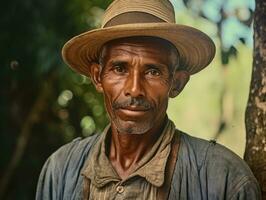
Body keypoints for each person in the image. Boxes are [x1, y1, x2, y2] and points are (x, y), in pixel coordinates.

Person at [36, 0, 261, 199]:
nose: (134, 89)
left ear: (177, 83)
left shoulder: (224, 178)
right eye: (119, 68)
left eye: (153, 71)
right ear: (97, 77)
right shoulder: (60, 169)